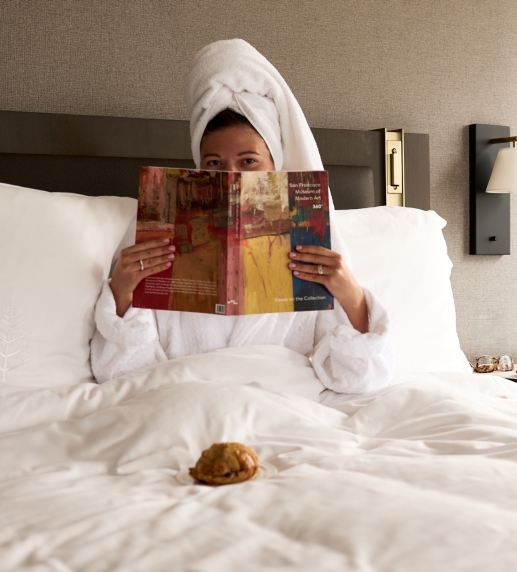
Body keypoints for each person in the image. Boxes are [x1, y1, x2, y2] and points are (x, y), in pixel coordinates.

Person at [91, 39, 393, 394]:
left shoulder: (314, 250)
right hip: (185, 401)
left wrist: (352, 297)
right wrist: (122, 292)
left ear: (275, 165)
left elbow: (358, 379)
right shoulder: (158, 238)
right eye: (214, 163)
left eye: (248, 161)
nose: (231, 176)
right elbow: (120, 375)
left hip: (281, 404)